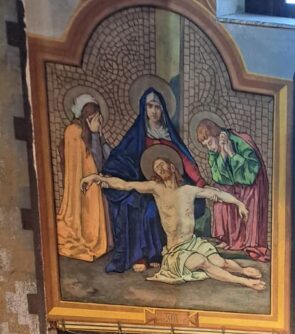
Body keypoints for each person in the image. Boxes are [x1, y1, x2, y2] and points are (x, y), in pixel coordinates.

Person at [82, 146, 266, 291]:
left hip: (192, 243)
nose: (160, 169)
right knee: (202, 262)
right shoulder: (156, 188)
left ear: (172, 167)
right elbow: (125, 185)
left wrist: (239, 203)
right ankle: (244, 282)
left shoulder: (188, 190)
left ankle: (242, 270)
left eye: (162, 165)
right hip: (176, 251)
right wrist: (97, 178)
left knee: (221, 262)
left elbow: (216, 194)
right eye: (156, 168)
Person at [102, 88, 205, 273]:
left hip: (166, 187)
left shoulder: (169, 135)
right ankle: (140, 255)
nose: (154, 111)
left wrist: (199, 182)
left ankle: (157, 254)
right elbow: (121, 156)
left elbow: (185, 161)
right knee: (135, 207)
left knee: (155, 210)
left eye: (158, 107)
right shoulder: (137, 134)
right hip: (143, 184)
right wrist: (111, 173)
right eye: (150, 106)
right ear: (144, 108)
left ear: (163, 109)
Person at [195, 118, 270, 262]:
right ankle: (230, 239)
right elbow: (218, 177)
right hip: (234, 184)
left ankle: (252, 245)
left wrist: (231, 153)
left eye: (210, 143)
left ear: (217, 135)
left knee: (248, 199)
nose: (209, 148)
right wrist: (222, 156)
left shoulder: (241, 141)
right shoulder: (214, 152)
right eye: (206, 146)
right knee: (221, 192)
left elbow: (251, 174)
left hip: (252, 183)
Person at [56, 94, 111, 261]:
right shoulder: (73, 131)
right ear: (86, 116)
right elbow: (85, 164)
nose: (98, 120)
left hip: (95, 180)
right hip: (80, 184)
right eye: (93, 115)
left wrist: (97, 135)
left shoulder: (92, 132)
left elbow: (105, 159)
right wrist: (94, 135)